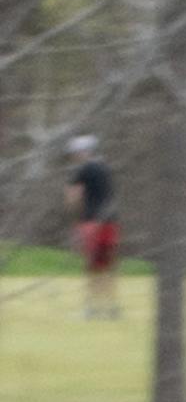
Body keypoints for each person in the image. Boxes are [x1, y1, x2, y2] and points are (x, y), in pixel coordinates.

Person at [64, 134, 120, 320]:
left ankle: (90, 309)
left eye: (75, 153)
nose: (74, 156)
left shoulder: (83, 170)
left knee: (91, 266)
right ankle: (112, 308)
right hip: (110, 222)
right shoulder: (105, 168)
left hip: (91, 222)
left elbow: (73, 196)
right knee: (107, 266)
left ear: (83, 152)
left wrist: (74, 216)